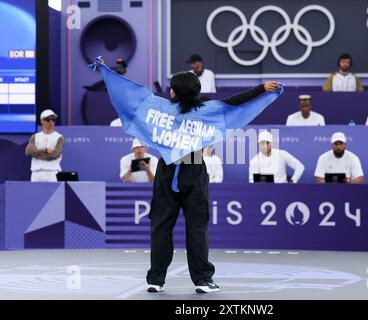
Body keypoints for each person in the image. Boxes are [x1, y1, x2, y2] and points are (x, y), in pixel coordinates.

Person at [91, 56, 282, 294]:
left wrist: (107, 72)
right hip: (193, 169)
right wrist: (262, 89)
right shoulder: (208, 111)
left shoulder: (157, 108)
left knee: (161, 227)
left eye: (172, 88)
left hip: (166, 170)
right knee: (197, 228)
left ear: (173, 93)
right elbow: (235, 102)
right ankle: (202, 279)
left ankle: (155, 279)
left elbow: (130, 94)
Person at [25, 109, 64, 182]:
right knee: (35, 193)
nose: (51, 122)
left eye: (53, 119)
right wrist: (45, 150)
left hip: (52, 172)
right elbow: (29, 152)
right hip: (36, 172)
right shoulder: (35, 137)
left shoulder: (59, 137)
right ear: (42, 121)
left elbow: (55, 155)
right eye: (48, 119)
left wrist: (36, 153)